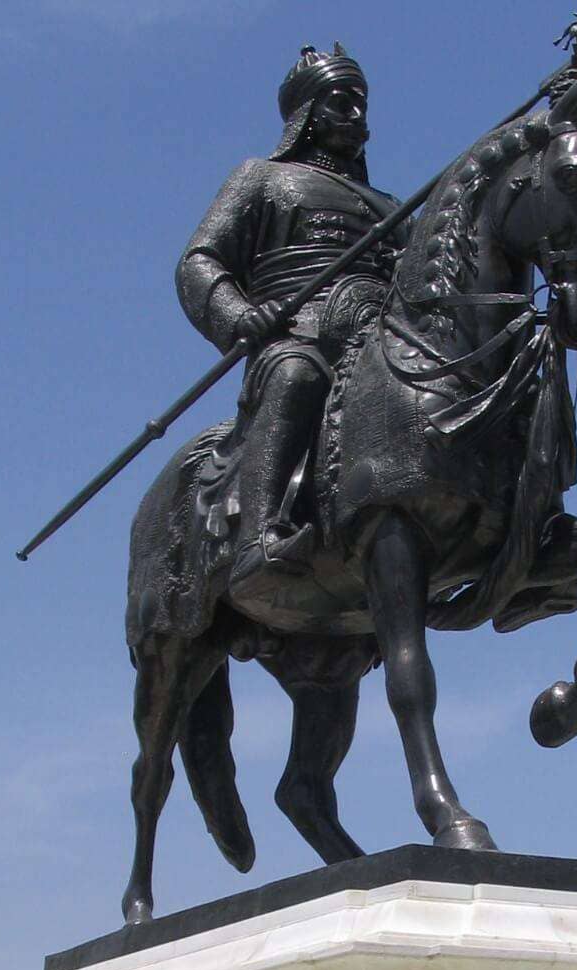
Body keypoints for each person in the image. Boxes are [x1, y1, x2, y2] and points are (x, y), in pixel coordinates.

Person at [176, 44, 407, 576]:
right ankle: (259, 538)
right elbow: (199, 260)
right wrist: (238, 315)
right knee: (297, 376)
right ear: (307, 112)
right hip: (299, 334)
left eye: (362, 104)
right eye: (343, 103)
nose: (357, 117)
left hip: (377, 337)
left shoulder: (392, 207)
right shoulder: (260, 177)